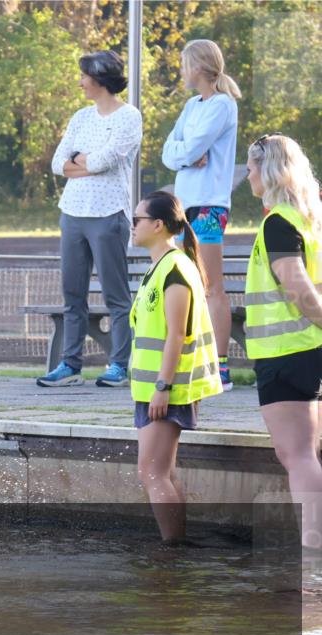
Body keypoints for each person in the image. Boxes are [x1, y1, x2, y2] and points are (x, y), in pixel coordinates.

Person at [40, 50, 142, 388]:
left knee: (115, 296)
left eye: (84, 76)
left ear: (99, 78)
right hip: (73, 214)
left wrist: (79, 162)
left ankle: (119, 365)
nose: (80, 82)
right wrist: (82, 161)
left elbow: (108, 160)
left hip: (108, 214)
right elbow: (58, 163)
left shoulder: (129, 117)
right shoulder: (81, 117)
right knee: (73, 294)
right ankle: (69, 365)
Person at [130, 190, 223, 543]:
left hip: (167, 388)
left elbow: (176, 336)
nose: (132, 227)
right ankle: (177, 548)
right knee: (161, 471)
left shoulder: (175, 268)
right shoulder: (160, 266)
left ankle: (172, 555)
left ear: (157, 224)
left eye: (137, 220)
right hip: (153, 386)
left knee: (152, 473)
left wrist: (162, 387)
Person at [244, 134, 322, 548]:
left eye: (252, 167)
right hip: (302, 349)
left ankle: (314, 551)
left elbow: (297, 286)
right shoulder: (307, 215)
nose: (249, 175)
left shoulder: (280, 222)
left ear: (269, 169)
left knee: (298, 456)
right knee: (300, 453)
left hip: (287, 351)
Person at [161, 39, 241, 391]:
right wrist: (185, 155)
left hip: (209, 204)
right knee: (188, 285)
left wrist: (187, 152)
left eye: (184, 63)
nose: (181, 69)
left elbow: (192, 147)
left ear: (199, 66)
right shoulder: (192, 106)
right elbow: (169, 151)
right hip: (184, 203)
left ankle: (220, 365)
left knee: (211, 287)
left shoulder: (222, 105)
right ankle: (194, 360)